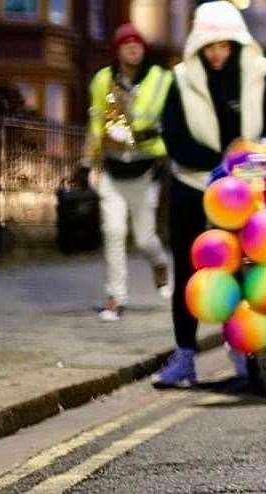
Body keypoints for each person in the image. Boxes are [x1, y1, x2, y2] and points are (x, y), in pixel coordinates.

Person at [152, 2, 266, 388]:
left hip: (247, 194)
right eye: (209, 46)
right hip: (192, 190)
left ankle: (245, 351)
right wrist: (221, 161)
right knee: (190, 273)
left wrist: (246, 160)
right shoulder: (180, 80)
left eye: (224, 45)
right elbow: (174, 138)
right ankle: (184, 356)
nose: (216, 54)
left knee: (246, 271)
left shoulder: (262, 76)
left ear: (237, 43)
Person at [85, 24, 172, 322]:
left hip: (145, 171)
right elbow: (96, 123)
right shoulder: (103, 80)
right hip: (111, 169)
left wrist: (151, 140)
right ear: (118, 50)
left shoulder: (161, 80)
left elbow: (171, 122)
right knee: (113, 232)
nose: (133, 48)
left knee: (145, 238)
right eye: (126, 44)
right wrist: (92, 162)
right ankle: (115, 299)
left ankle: (160, 264)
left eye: (138, 43)